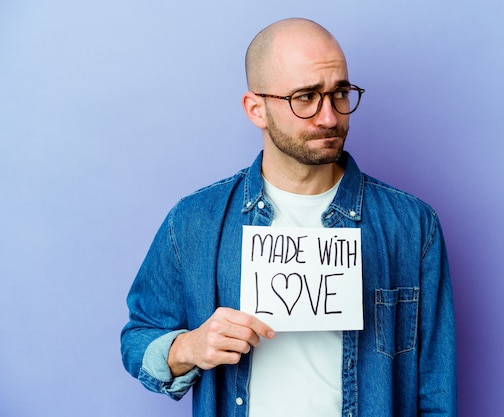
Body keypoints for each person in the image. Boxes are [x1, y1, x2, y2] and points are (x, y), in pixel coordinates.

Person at [121, 17, 457, 417]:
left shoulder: (412, 226)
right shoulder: (195, 222)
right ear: (256, 109)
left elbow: (436, 391)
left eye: (339, 93)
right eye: (306, 97)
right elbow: (138, 339)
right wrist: (189, 347)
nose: (330, 117)